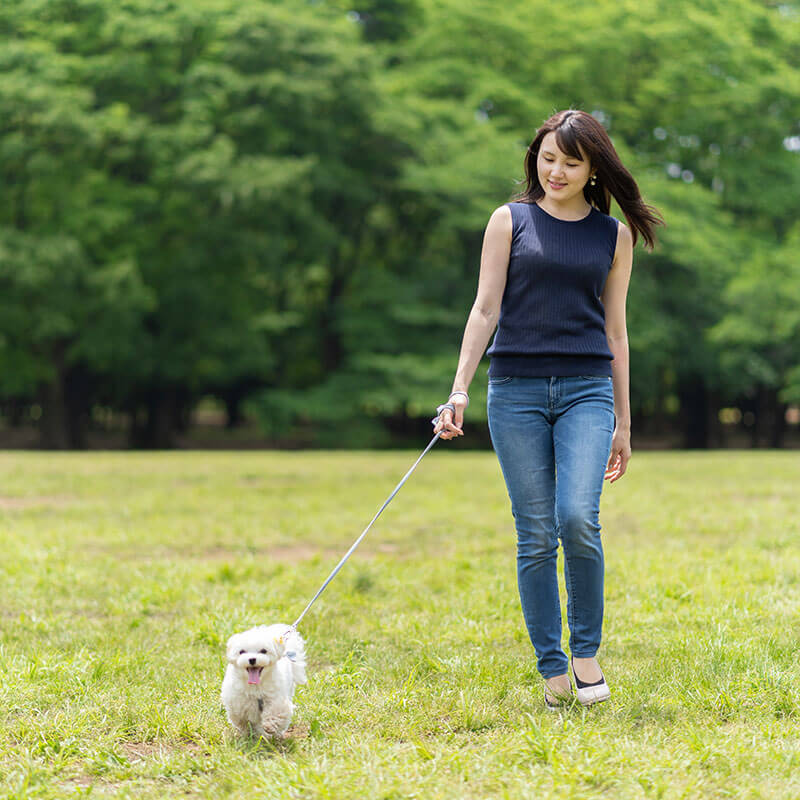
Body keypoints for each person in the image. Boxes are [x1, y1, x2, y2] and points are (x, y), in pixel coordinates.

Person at [433, 109, 664, 708]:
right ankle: (552, 666)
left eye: (571, 161)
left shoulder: (613, 236)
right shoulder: (510, 221)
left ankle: (586, 652)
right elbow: (484, 310)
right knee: (535, 534)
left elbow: (617, 331)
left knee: (578, 519)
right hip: (515, 391)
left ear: (594, 170)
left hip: (588, 389)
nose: (556, 171)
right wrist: (458, 390)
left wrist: (624, 422)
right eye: (548, 158)